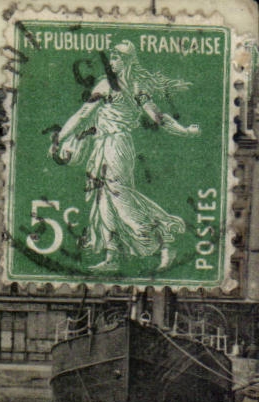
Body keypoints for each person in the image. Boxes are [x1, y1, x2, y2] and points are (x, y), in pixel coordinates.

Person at [51, 39, 201, 273]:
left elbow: (158, 117)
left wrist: (185, 131)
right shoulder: (112, 85)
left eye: (117, 58)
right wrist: (62, 137)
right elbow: (84, 115)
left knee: (119, 196)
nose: (112, 62)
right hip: (101, 146)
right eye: (111, 57)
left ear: (127, 61)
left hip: (117, 145)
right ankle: (112, 256)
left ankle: (164, 238)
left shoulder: (128, 86)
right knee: (102, 200)